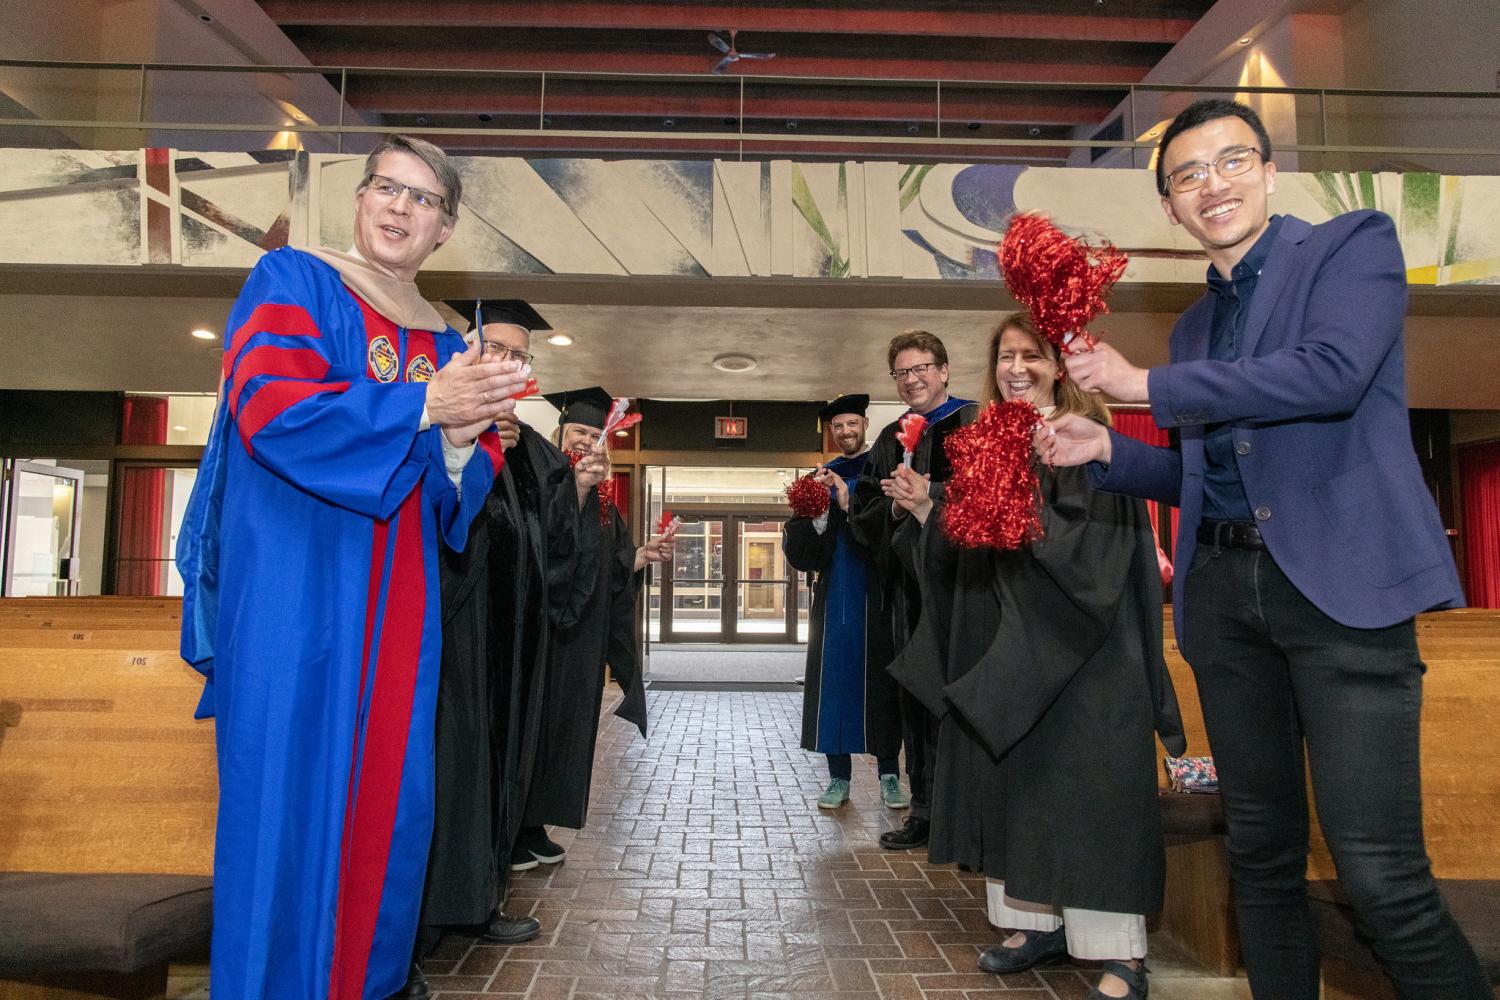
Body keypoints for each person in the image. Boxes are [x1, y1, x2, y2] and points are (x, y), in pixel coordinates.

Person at [1041, 98, 1489, 999]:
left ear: (1271, 169)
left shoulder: (1349, 247)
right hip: (1226, 594)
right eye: (1188, 177)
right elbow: (1209, 477)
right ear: (1169, 207)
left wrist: (1144, 385)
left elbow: (1331, 374)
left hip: (1341, 595)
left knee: (1379, 876)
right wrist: (1112, 451)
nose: (1213, 186)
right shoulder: (1197, 329)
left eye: (1231, 162)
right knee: (1261, 857)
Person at [176, 135, 531, 1000]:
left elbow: (457, 493)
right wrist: (420, 404)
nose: (399, 208)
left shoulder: (449, 338)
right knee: (281, 809)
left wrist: (452, 438)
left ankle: (363, 986)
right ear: (363, 197)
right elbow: (271, 405)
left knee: (385, 813)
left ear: (444, 229)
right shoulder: (295, 280)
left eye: (423, 201)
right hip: (295, 595)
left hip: (401, 611)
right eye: (386, 188)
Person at [887, 314, 1184, 1000]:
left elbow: (1097, 551)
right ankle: (1037, 926)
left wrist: (1015, 520)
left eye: (1032, 357)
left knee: (1088, 797)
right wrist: (933, 510)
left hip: (1083, 656)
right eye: (1004, 358)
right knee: (1019, 791)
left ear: (1061, 368)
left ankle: (1120, 956)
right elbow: (967, 555)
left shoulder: (1081, 441)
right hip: (1008, 651)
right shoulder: (989, 443)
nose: (1016, 368)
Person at [401, 303, 608, 998]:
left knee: (496, 774)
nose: (506, 363)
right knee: (445, 776)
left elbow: (553, 552)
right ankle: (416, 933)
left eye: (518, 356)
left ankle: (477, 901)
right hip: (445, 643)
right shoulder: (431, 422)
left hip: (510, 650)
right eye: (493, 347)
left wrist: (575, 489)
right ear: (465, 351)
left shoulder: (539, 452)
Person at [513, 387, 672, 868]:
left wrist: (641, 556)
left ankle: (537, 824)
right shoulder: (533, 476)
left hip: (579, 640)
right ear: (559, 433)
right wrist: (578, 488)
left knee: (567, 733)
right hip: (541, 636)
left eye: (594, 433)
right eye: (579, 431)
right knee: (535, 729)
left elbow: (608, 562)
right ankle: (515, 828)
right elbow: (545, 549)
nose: (586, 441)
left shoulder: (603, 498)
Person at [849, 331, 977, 850]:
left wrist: (932, 495)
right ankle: (923, 810)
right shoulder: (888, 440)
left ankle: (970, 813)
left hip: (965, 587)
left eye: (921, 367)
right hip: (907, 595)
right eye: (901, 373)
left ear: (944, 371)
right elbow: (864, 514)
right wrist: (898, 509)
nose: (912, 379)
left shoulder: (971, 425)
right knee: (918, 697)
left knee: (963, 696)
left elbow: (990, 498)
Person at [783, 394, 906, 810]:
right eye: (838, 426)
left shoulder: (883, 473)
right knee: (835, 683)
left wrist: (848, 503)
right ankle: (839, 778)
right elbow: (803, 553)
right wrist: (818, 513)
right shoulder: (820, 476)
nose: (846, 431)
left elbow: (892, 533)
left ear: (866, 425)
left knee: (883, 683)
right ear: (831, 432)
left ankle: (890, 774)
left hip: (879, 593)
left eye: (852, 423)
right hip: (836, 595)